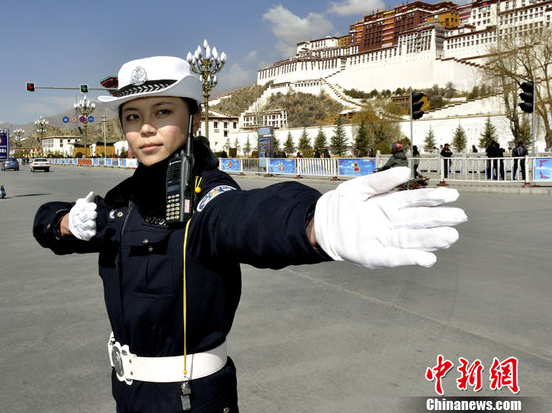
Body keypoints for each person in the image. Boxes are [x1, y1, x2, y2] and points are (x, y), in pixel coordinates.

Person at [32, 56, 466, 412]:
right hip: (128, 393)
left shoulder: (206, 193)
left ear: (193, 118)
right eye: (133, 117)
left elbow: (242, 218)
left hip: (189, 398)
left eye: (162, 112)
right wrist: (66, 223)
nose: (145, 128)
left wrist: (314, 225)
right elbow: (45, 222)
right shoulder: (121, 199)